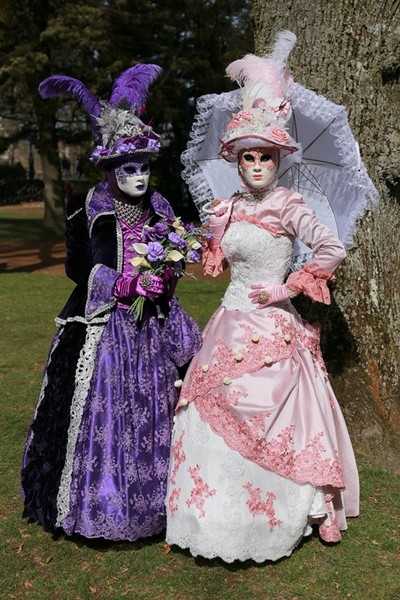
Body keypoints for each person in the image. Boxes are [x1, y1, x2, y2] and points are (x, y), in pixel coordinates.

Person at [165, 32, 359, 562]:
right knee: (207, 404)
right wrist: (177, 252)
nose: (256, 165)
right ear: (235, 158)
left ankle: (276, 517)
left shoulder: (289, 204)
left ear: (278, 159)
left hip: (273, 324)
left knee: (275, 411)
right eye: (247, 156)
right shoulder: (224, 209)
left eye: (265, 157)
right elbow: (213, 261)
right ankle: (209, 519)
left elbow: (331, 246)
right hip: (228, 320)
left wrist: (288, 285)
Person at [21, 64, 202, 541]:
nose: (140, 177)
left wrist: (164, 277)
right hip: (105, 328)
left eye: (144, 168)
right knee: (104, 416)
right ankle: (103, 506)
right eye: (129, 168)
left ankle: (163, 508)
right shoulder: (88, 210)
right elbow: (77, 269)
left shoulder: (162, 207)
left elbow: (175, 255)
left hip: (155, 329)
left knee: (159, 410)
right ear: (110, 169)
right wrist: (123, 286)